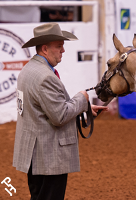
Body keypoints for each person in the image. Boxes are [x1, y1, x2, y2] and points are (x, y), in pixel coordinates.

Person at [13, 22, 108, 200]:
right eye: (59, 46)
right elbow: (59, 116)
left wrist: (83, 109)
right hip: (49, 156)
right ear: (44, 49)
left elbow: (45, 110)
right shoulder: (45, 77)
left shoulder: (28, 70)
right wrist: (82, 98)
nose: (63, 50)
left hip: (35, 155)